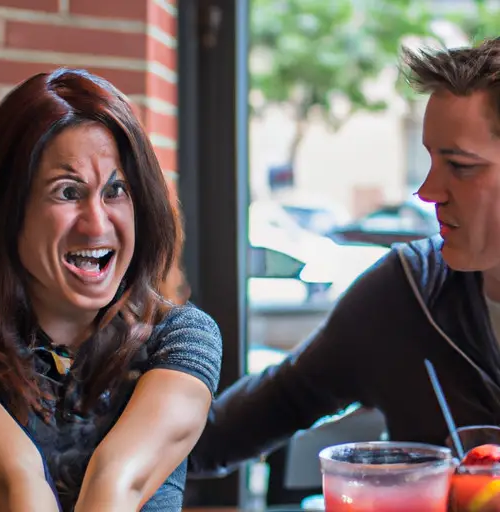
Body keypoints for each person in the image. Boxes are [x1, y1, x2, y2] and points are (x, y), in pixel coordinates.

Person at [189, 37, 500, 478]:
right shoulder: (406, 292)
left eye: (461, 166)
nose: (427, 191)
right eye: (430, 160)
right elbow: (235, 426)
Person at [0, 68, 222, 512]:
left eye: (116, 190)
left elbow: (117, 483)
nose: (97, 224)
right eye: (68, 191)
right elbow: (15, 483)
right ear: (8, 209)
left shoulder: (178, 337)